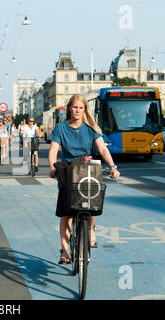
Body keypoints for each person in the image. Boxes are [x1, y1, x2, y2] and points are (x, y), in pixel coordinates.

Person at [48, 94, 120, 265]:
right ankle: (65, 251)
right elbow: (53, 151)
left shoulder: (91, 128)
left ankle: (90, 229)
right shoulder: (60, 129)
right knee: (67, 213)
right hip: (68, 170)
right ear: (69, 108)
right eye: (74, 107)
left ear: (84, 110)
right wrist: (52, 168)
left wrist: (112, 166)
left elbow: (102, 149)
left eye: (81, 108)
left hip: (87, 167)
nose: (77, 110)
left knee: (93, 201)